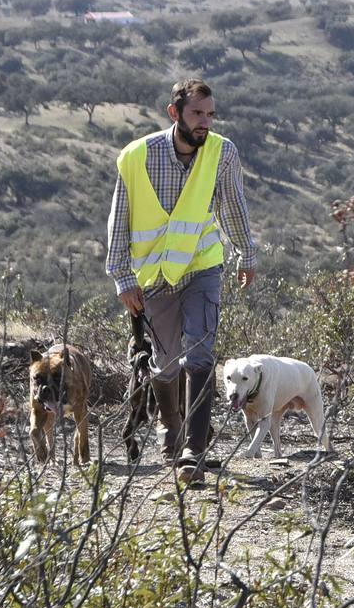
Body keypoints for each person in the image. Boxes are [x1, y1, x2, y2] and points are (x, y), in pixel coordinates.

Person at [106, 78, 257, 482]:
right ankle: (170, 429)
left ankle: (194, 449)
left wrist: (247, 252)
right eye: (197, 113)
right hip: (154, 277)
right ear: (175, 114)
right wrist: (122, 277)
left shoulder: (223, 153)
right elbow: (119, 221)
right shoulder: (137, 157)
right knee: (166, 363)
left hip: (203, 267)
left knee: (201, 353)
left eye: (210, 114)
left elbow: (233, 207)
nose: (206, 122)